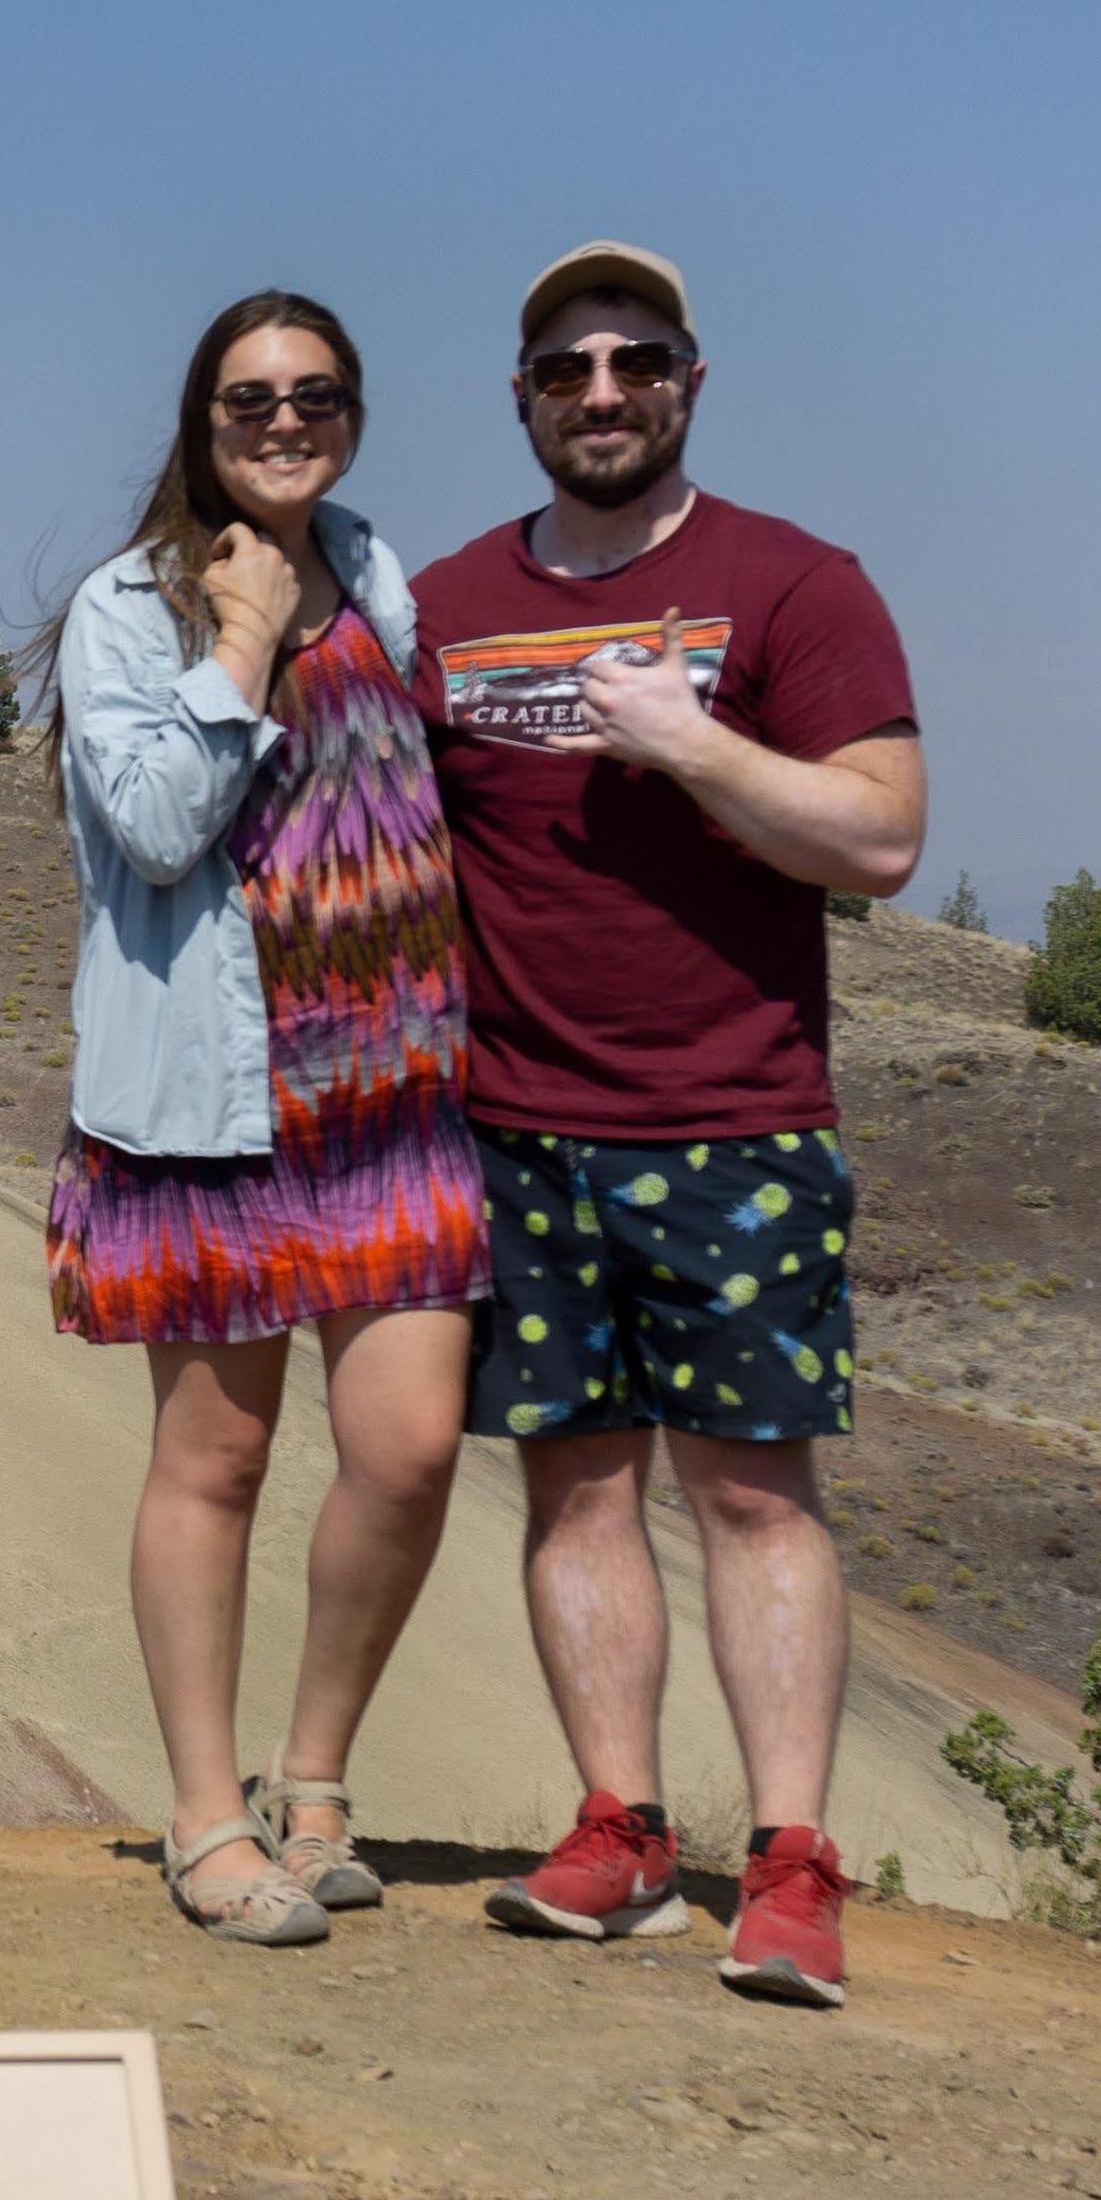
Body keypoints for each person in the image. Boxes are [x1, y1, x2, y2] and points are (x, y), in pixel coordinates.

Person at [410, 241, 927, 2010]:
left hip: (734, 1120)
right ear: (524, 399)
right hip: (518, 1128)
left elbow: (876, 836)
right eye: (568, 367)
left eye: (636, 359)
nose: (604, 392)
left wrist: (694, 747)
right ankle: (620, 1832)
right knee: (570, 1493)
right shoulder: (448, 605)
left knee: (753, 1495)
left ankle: (785, 1864)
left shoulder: (794, 583)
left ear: (690, 379)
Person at [40, 290, 489, 1947]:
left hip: (394, 1090)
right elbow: (156, 824)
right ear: (198, 420)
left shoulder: (378, 576)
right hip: (215, 1101)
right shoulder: (125, 608)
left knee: (408, 1448)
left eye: (312, 394)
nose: (282, 420)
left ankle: (316, 1782)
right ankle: (202, 1818)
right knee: (216, 1456)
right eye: (248, 400)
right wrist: (235, 636)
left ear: (352, 412)